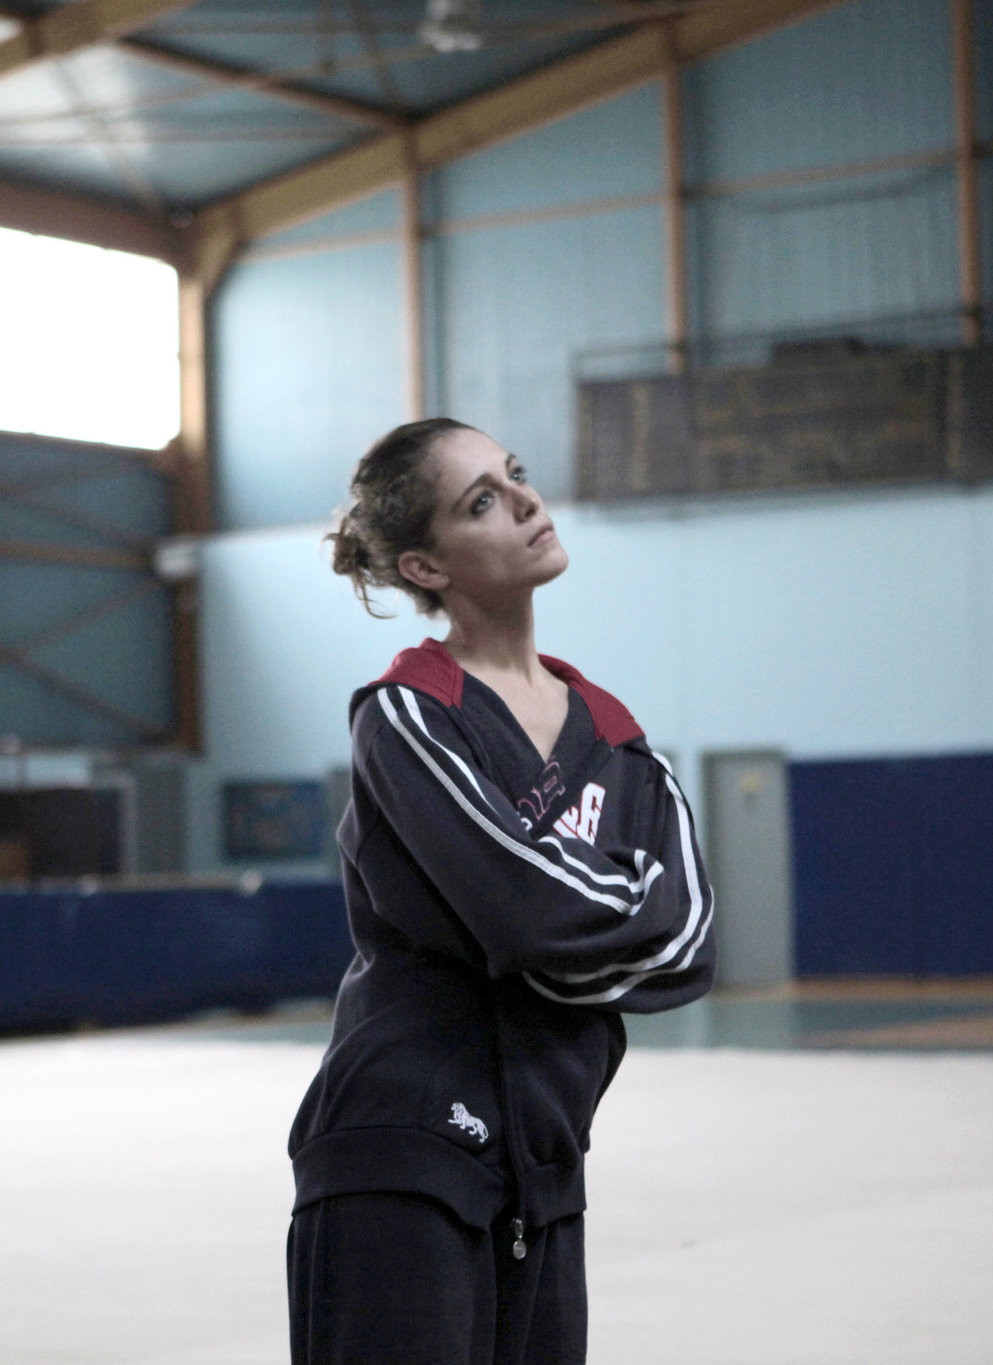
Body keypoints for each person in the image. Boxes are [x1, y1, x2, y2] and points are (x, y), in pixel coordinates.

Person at [287, 417, 716, 1365]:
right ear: (426, 567)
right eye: (481, 500)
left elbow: (686, 939)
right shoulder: (408, 716)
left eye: (515, 475)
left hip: (547, 1163)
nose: (525, 501)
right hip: (401, 1156)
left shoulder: (618, 740)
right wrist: (583, 930)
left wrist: (547, 944)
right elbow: (527, 913)